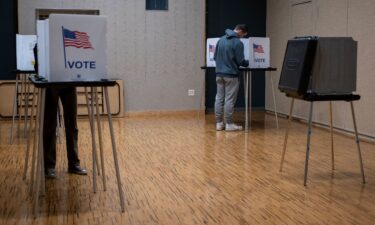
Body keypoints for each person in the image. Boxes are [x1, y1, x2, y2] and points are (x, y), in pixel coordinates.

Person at [43, 87, 87, 179]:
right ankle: (49, 166)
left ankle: (74, 163)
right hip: (50, 81)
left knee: (72, 125)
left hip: (69, 80)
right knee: (49, 125)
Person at [214, 24, 249, 131]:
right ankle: (229, 124)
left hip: (219, 74)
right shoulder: (237, 42)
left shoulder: (221, 39)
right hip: (231, 75)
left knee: (219, 99)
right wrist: (247, 62)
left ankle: (219, 124)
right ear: (241, 32)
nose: (242, 37)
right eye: (243, 35)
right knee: (229, 100)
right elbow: (240, 61)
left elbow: (215, 57)